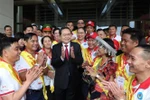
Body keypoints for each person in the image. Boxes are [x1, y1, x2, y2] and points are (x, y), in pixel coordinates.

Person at [51, 27, 83, 100]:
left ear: (71, 35)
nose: (66, 37)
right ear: (60, 36)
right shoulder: (55, 47)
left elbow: (80, 61)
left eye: (68, 34)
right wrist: (61, 58)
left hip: (73, 80)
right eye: (64, 35)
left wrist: (73, 57)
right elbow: (54, 63)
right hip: (60, 81)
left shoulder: (76, 46)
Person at [15, 33, 49, 100]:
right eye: (32, 41)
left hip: (41, 90)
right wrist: (38, 64)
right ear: (25, 42)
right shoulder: (21, 56)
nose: (35, 43)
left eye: (36, 41)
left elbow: (45, 72)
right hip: (30, 92)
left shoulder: (38, 55)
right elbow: (22, 77)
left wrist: (44, 63)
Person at [40, 36, 55, 100]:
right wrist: (47, 72)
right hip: (45, 82)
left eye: (49, 41)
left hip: (55, 80)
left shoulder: (55, 52)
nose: (47, 43)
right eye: (45, 41)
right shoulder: (40, 53)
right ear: (42, 43)